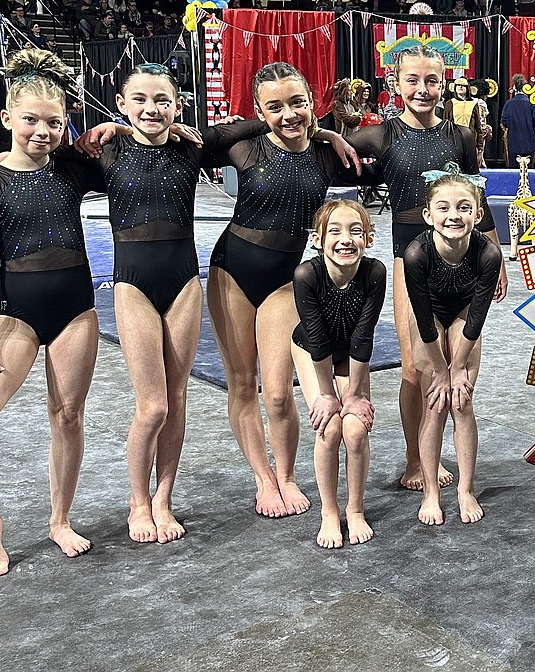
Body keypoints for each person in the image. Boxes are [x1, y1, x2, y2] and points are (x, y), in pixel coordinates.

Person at [0, 63, 269, 544]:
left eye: (162, 100)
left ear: (177, 105)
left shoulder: (178, 151)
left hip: (170, 287)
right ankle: (127, 505)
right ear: (120, 104)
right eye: (138, 99)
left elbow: (249, 125)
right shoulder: (93, 158)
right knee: (151, 406)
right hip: (108, 292)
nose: (151, 108)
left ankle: (154, 501)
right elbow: (21, 174)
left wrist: (325, 133)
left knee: (159, 401)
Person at [0, 49, 103, 575]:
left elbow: (136, 149)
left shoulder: (71, 170)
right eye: (31, 120)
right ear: (7, 119)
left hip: (76, 313)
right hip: (17, 315)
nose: (43, 131)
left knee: (68, 416)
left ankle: (59, 518)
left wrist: (107, 129)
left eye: (55, 122)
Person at [341, 46, 508, 492]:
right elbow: (328, 149)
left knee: (458, 360)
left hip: (463, 255)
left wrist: (496, 253)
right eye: (412, 80)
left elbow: (479, 199)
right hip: (408, 257)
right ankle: (416, 459)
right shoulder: (381, 135)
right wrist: (331, 136)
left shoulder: (461, 137)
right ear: (395, 84)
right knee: (416, 368)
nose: (422, 89)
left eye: (431, 81)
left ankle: (444, 451)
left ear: (445, 84)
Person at [204, 63, 366, 519]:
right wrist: (274, 121)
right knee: (241, 383)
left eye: (297, 102)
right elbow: (187, 142)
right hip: (231, 272)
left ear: (312, 99)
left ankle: (289, 474)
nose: (289, 114)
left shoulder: (326, 154)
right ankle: (264, 478)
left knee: (277, 393)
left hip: (282, 281)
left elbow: (384, 154)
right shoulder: (243, 146)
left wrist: (327, 134)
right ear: (257, 111)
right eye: (274, 107)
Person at [404, 168, 502, 525]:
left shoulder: (488, 253)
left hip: (462, 312)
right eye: (443, 208)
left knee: (461, 401)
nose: (454, 216)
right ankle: (431, 491)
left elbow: (476, 317)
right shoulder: (417, 254)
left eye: (463, 207)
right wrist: (442, 372)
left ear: (477, 214)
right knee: (435, 401)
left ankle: (465, 489)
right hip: (430, 317)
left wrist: (458, 368)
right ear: (429, 216)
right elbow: (425, 320)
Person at [291, 199, 385, 548]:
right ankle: (329, 513)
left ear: (369, 238)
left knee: (356, 430)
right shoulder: (307, 275)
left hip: (351, 356)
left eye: (355, 231)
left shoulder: (374, 273)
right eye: (335, 231)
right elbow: (316, 338)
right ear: (317, 239)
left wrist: (356, 395)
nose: (345, 239)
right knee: (329, 428)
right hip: (310, 351)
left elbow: (363, 335)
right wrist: (328, 395)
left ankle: (355, 509)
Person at [500, 73, 535, 170]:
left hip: (513, 143)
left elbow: (504, 122)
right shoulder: (531, 103)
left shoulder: (508, 104)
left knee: (514, 173)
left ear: (514, 87)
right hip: (529, 143)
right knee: (529, 172)